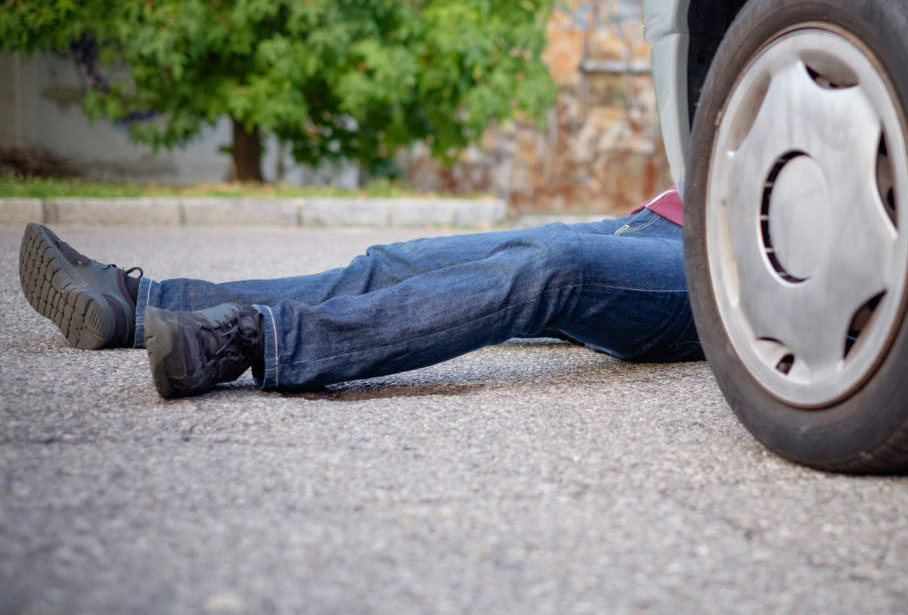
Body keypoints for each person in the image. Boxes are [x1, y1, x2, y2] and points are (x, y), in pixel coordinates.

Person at [18, 187, 701, 399]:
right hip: (649, 222)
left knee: (557, 265)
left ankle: (253, 338)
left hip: (721, 272)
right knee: (394, 261)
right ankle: (135, 307)